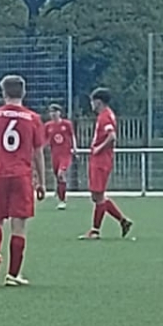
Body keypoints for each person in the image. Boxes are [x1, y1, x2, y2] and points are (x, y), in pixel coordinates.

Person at [0, 76, 48, 286]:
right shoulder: (33, 118)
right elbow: (38, 153)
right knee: (18, 225)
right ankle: (13, 274)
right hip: (21, 175)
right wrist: (42, 182)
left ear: (3, 93)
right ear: (24, 92)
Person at [80, 87, 134, 240]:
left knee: (98, 196)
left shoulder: (105, 116)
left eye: (92, 101)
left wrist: (99, 148)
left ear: (98, 102)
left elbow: (112, 136)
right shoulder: (106, 115)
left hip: (101, 160)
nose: (91, 104)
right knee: (97, 196)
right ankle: (123, 221)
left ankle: (95, 231)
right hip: (100, 160)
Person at [44, 103, 76, 210]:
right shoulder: (48, 126)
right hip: (54, 155)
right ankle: (60, 192)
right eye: (51, 112)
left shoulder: (66, 124)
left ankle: (62, 201)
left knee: (61, 174)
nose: (53, 114)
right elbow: (45, 139)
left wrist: (74, 147)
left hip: (65, 154)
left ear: (59, 113)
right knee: (58, 177)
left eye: (55, 111)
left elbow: (72, 135)